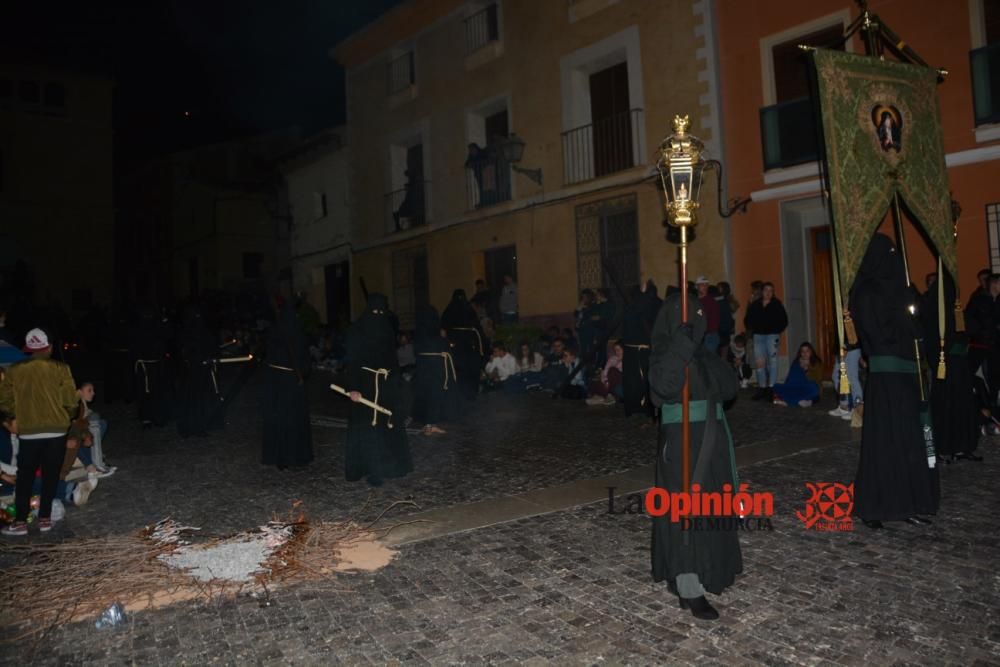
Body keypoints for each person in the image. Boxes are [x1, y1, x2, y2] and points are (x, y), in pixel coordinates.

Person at [649, 292, 742, 621]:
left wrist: (700, 351)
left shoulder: (702, 352)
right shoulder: (663, 351)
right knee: (683, 514)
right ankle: (688, 586)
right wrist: (681, 347)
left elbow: (729, 388)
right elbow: (663, 387)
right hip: (682, 442)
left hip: (711, 438)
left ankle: (710, 569)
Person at [850, 234, 938, 529]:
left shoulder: (898, 291)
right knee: (885, 443)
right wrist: (902, 317)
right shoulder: (866, 293)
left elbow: (917, 330)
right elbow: (880, 335)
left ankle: (907, 502)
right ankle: (875, 505)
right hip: (887, 379)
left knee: (909, 442)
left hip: (907, 376)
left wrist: (911, 310)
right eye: (887, 253)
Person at [0, 328, 78, 536]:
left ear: (28, 349)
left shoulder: (15, 370)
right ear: (49, 348)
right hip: (56, 432)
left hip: (29, 432)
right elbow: (71, 401)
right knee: (50, 475)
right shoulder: (62, 369)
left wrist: (14, 416)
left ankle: (20, 522)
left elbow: (5, 401)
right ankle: (45, 519)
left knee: (25, 477)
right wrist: (66, 417)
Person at [344, 294, 413, 486]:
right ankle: (370, 468)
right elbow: (352, 361)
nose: (378, 315)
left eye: (381, 311)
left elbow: (393, 359)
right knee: (367, 430)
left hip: (386, 386)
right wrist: (353, 388)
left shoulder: (387, 329)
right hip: (365, 385)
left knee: (386, 427)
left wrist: (397, 384)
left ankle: (388, 466)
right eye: (375, 311)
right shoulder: (357, 330)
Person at [921, 271, 981, 463]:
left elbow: (969, 330)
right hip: (945, 369)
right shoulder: (932, 310)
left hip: (960, 368)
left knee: (961, 406)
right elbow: (933, 337)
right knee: (945, 407)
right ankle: (944, 446)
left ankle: (962, 445)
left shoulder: (955, 309)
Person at [261, 299, 313, 470]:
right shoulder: (297, 331)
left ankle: (279, 457)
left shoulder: (274, 331)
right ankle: (295, 456)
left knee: (279, 418)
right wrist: (303, 373)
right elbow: (304, 359)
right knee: (293, 419)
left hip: (275, 382)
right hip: (291, 382)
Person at [412, 305, 456, 435]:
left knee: (425, 394)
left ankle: (427, 424)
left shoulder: (418, 333)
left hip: (422, 367)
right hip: (436, 367)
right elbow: (443, 347)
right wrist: (444, 338)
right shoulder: (436, 333)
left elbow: (416, 352)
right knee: (434, 395)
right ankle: (430, 426)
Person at [175, 306, 219, 438]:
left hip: (197, 371)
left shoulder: (194, 331)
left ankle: (195, 427)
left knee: (196, 400)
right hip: (192, 371)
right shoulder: (190, 332)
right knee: (194, 400)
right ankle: (192, 428)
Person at [743, 282, 788, 400]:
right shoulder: (755, 305)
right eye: (766, 290)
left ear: (773, 293)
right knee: (759, 363)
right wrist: (752, 328)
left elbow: (784, 320)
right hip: (758, 336)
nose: (768, 293)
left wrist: (776, 330)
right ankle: (762, 387)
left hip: (772, 336)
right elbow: (748, 319)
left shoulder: (777, 304)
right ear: (762, 292)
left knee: (772, 361)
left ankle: (771, 388)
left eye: (771, 291)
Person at [622, 281, 661, 417]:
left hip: (644, 351)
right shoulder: (632, 308)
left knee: (643, 380)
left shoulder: (653, 306)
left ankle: (645, 407)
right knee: (633, 381)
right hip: (634, 352)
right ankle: (634, 407)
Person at [129, 305, 171, 428]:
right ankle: (147, 417)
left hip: (155, 365)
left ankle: (154, 416)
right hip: (145, 366)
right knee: (146, 392)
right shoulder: (139, 329)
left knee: (154, 392)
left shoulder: (156, 327)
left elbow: (166, 338)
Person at [441, 289, 485, 401]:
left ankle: (464, 393)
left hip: (459, 346)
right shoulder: (468, 309)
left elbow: (443, 328)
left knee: (462, 369)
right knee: (465, 369)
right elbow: (477, 327)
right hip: (467, 345)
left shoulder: (449, 310)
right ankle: (469, 393)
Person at [772, 343, 823, 407]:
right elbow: (790, 379)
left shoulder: (816, 363)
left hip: (808, 387)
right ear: (800, 353)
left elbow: (818, 380)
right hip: (796, 387)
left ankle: (789, 402)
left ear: (811, 352)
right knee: (776, 387)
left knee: (814, 388)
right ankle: (804, 401)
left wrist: (807, 369)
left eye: (807, 351)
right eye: (802, 351)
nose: (805, 353)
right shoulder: (796, 362)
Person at [586, 340, 624, 406]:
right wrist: (605, 381)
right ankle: (604, 396)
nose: (616, 352)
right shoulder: (612, 358)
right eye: (615, 350)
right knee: (593, 382)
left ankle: (603, 395)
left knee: (613, 371)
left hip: (619, 381)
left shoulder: (628, 360)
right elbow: (605, 371)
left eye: (618, 349)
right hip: (608, 383)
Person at [695, 277, 721, 353]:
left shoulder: (711, 301)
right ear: (696, 286)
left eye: (706, 285)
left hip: (710, 335)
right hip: (699, 335)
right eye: (702, 285)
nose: (705, 287)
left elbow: (702, 315)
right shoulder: (695, 301)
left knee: (707, 361)